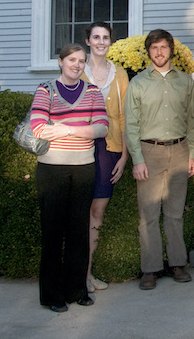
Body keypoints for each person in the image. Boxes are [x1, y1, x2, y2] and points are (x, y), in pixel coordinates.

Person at [31, 44, 108, 312]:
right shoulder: (46, 90)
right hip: (52, 169)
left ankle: (77, 290)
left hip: (84, 168)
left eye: (81, 61)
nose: (77, 64)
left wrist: (61, 127)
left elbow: (101, 127)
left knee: (78, 230)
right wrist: (80, 129)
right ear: (61, 62)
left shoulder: (93, 92)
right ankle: (52, 295)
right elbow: (39, 127)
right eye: (72, 59)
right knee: (53, 232)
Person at [125, 29, 194, 290]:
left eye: (163, 47)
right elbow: (131, 125)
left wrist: (191, 155)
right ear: (149, 52)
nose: (159, 52)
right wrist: (137, 159)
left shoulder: (185, 82)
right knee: (148, 215)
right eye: (154, 48)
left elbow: (192, 121)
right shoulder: (138, 83)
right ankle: (151, 268)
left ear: (171, 50)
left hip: (179, 151)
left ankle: (177, 264)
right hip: (149, 152)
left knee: (175, 212)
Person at [81, 22, 129, 294]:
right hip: (79, 147)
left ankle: (87, 275)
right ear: (88, 40)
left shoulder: (119, 73)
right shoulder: (77, 68)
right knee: (77, 211)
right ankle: (74, 275)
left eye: (105, 37)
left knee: (97, 211)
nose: (101, 41)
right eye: (96, 37)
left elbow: (124, 117)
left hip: (108, 148)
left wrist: (123, 155)